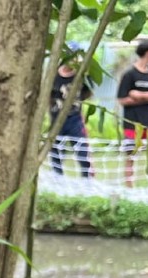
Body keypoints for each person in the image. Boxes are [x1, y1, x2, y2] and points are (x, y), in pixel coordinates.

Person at [49, 42, 93, 177]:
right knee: (56, 149)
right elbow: (47, 94)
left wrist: (77, 104)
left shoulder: (82, 75)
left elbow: (88, 92)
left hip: (74, 117)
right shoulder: (53, 74)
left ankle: (86, 179)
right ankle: (58, 177)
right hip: (56, 116)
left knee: (81, 149)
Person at [117, 39, 148, 186]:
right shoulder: (129, 74)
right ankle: (129, 188)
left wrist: (138, 95)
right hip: (131, 122)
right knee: (130, 156)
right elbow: (122, 99)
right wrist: (146, 97)